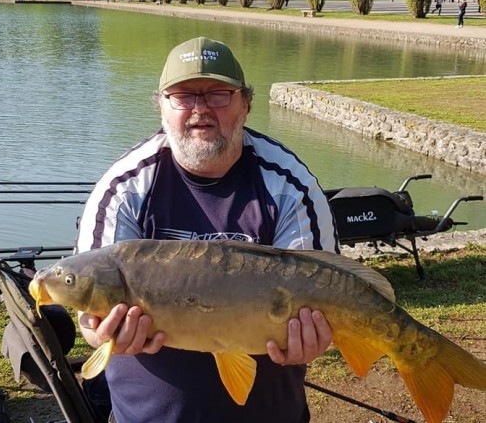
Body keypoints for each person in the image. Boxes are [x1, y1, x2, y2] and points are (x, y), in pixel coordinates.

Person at [75, 36, 339, 423]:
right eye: (183, 96)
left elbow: (327, 295)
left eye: (217, 94)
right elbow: (91, 322)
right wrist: (102, 335)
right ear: (161, 107)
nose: (200, 110)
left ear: (246, 104)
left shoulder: (290, 186)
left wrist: (315, 339)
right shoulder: (124, 188)